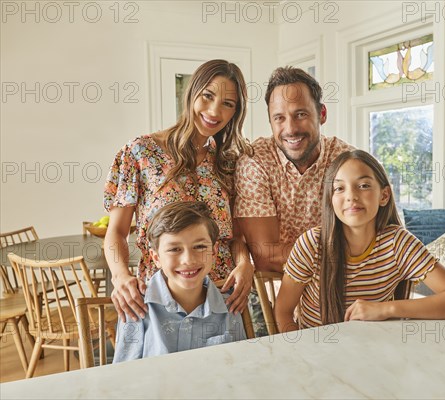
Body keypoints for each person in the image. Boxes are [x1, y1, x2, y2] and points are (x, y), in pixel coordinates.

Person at [104, 60, 254, 323]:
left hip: (221, 297)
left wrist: (244, 264)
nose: (214, 110)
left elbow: (236, 237)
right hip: (160, 298)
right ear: (192, 93)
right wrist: (120, 276)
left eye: (228, 104)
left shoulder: (229, 162)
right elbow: (116, 232)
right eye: (208, 96)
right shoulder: (141, 152)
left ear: (235, 113)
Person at [275, 150, 445, 331]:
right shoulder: (312, 244)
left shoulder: (398, 243)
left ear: (384, 195)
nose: (351, 196)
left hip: (375, 353)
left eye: (363, 185)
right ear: (330, 199)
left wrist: (385, 309)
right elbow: (283, 312)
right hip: (318, 357)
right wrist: (298, 353)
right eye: (339, 188)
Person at [234, 66, 353, 273]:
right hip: (282, 293)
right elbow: (266, 256)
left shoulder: (345, 160)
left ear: (322, 113)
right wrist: (340, 257)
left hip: (349, 288)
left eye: (300, 114)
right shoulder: (255, 162)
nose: (290, 129)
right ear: (270, 121)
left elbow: (371, 238)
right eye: (279, 118)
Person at [113, 201, 246, 362]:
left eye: (199, 247)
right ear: (156, 258)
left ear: (214, 251)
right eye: (174, 249)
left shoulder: (231, 305)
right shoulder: (136, 306)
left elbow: (240, 369)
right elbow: (124, 377)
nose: (188, 260)